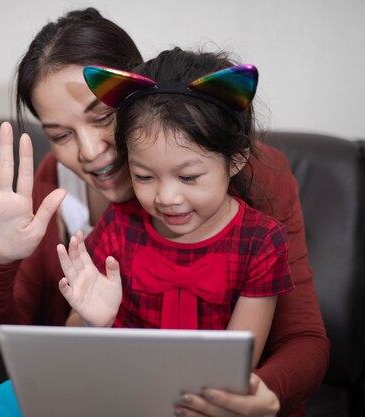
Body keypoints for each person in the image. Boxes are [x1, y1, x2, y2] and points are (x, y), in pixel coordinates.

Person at [0, 7, 329, 417]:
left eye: (103, 118)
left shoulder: (259, 183)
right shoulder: (53, 189)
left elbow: (304, 338)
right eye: (60, 134)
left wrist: (260, 391)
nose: (89, 151)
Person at [57, 50, 295, 373]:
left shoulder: (261, 242)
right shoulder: (119, 224)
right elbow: (68, 342)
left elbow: (235, 370)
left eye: (188, 177)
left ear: (236, 161)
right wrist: (91, 323)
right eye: (144, 176)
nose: (166, 197)